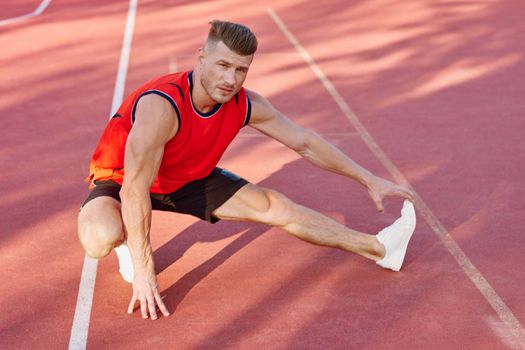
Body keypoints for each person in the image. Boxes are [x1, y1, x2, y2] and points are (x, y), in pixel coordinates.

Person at [78, 20, 416, 321]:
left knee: (277, 207)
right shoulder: (162, 106)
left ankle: (380, 248)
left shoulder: (244, 103)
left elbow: (305, 143)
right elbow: (135, 189)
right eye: (223, 65)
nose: (230, 79)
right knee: (100, 238)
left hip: (187, 180)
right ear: (201, 58)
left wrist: (367, 178)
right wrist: (143, 270)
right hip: (122, 179)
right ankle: (125, 238)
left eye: (241, 70)